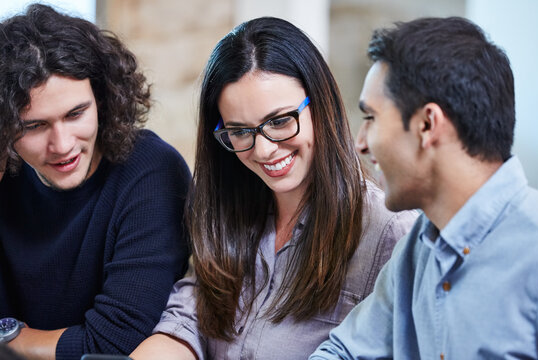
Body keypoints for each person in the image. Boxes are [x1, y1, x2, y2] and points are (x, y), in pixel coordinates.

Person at [130, 16, 417, 360]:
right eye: (240, 131)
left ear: (320, 106)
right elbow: (185, 324)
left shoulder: (388, 231)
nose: (264, 150)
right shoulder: (225, 213)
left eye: (280, 121)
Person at [310, 16, 538, 359]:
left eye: (371, 118)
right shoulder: (418, 248)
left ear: (428, 124)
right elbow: (343, 351)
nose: (360, 143)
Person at [0, 4, 192, 359]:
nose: (62, 145)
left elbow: (113, 343)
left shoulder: (151, 171)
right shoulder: (7, 175)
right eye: (34, 126)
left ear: (102, 101)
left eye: (76, 114)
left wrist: (11, 340)